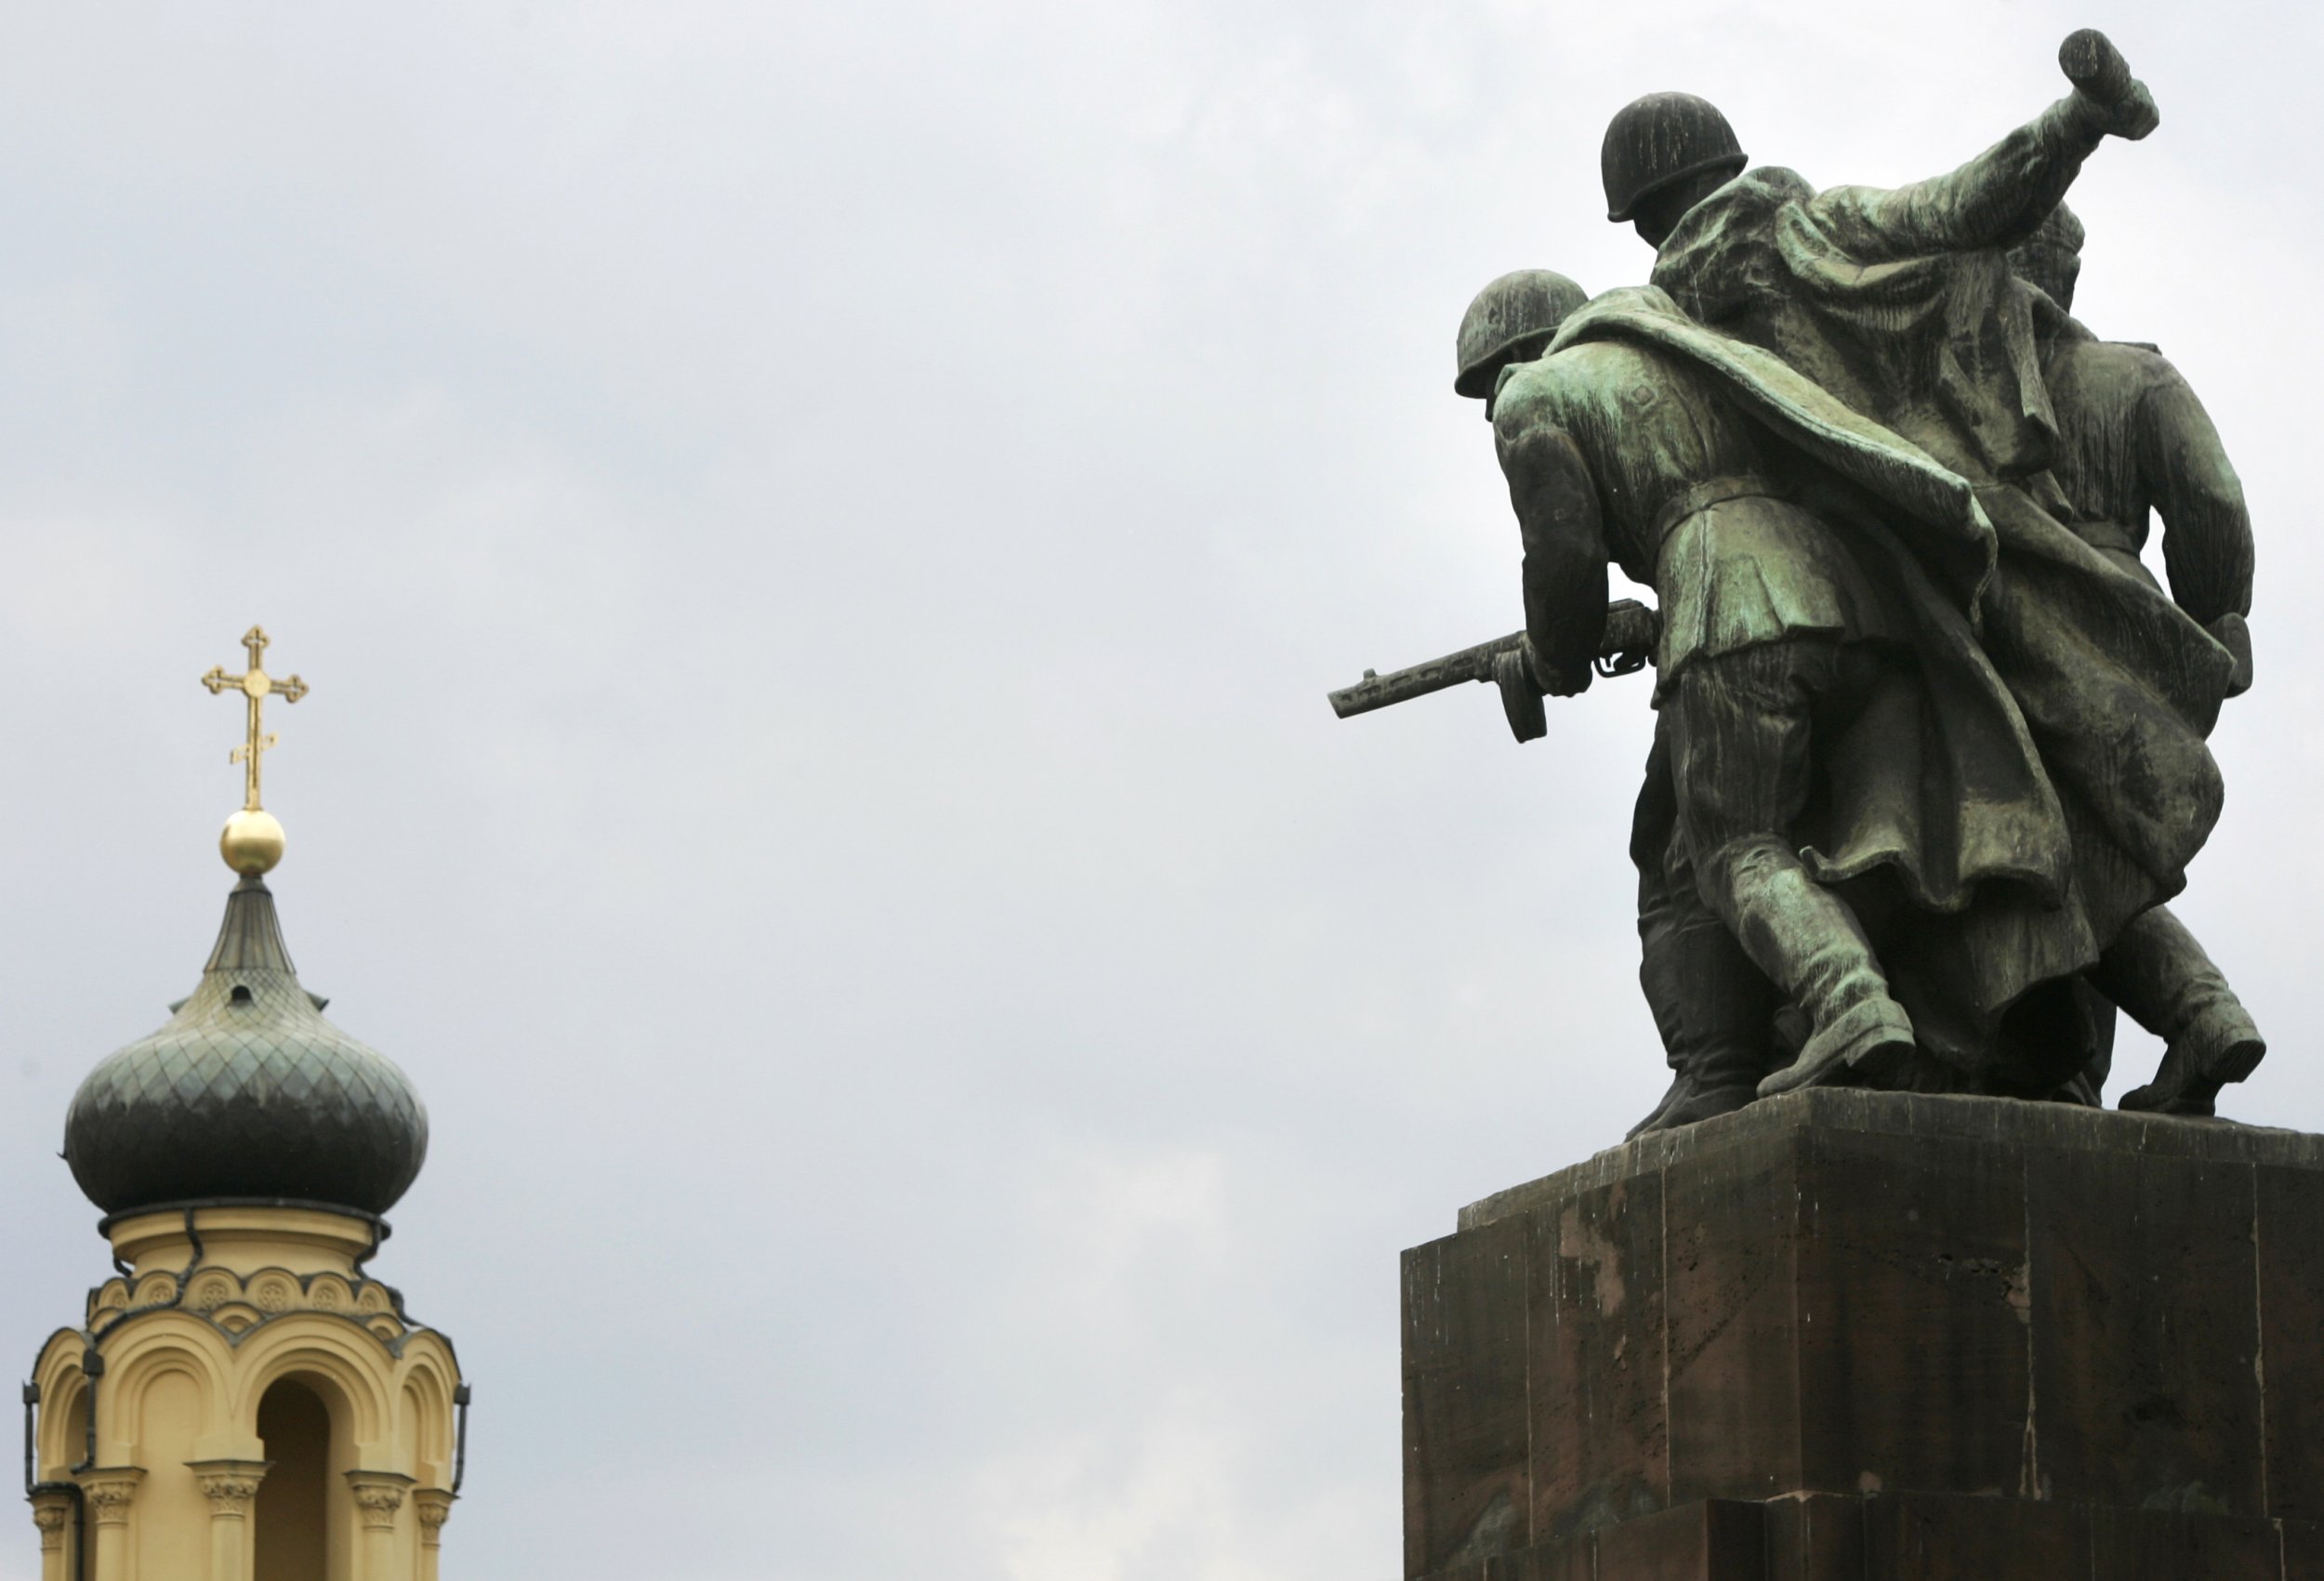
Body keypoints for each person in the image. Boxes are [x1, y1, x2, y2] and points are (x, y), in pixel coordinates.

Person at [1590, 35, 2238, 1097]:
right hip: (1899, 580)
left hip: (1867, 590)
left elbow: (1959, 210)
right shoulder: (1760, 264)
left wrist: (2075, 125)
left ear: (1639, 212)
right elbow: (1964, 206)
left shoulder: (1679, 312)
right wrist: (2072, 127)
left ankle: (1786, 1043)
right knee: (2010, 818)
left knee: (1772, 838)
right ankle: (2115, 1026)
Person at [1454, 273, 1782, 1132]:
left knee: (1682, 855)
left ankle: (1722, 1063)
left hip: (1726, 621)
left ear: (1515, 361)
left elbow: (1565, 557)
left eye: (1488, 386)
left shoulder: (1538, 395)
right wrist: (1644, 620)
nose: (1494, 411)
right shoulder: (1686, 365)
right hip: (1797, 604)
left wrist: (1552, 655)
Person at [2009, 204, 2265, 1114]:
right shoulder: (2135, 377)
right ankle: (2190, 1023)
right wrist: (2212, 616)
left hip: (2023, 619)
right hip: (2136, 628)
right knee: (2089, 853)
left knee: (2046, 857)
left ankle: (2086, 1071)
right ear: (2068, 275)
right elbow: (2211, 502)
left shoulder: (1958, 391)